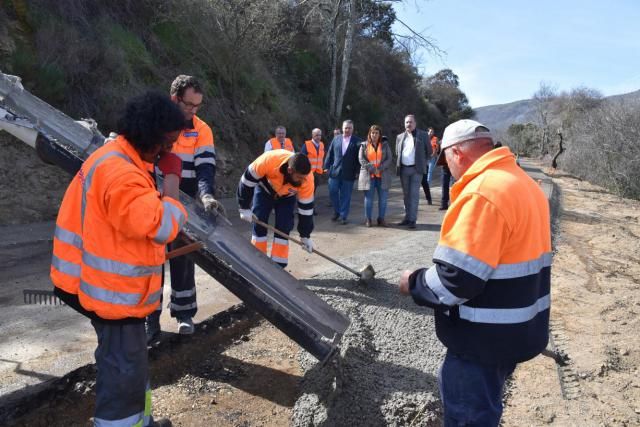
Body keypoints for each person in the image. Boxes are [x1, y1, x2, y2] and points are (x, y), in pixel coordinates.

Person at [397, 119, 551, 426]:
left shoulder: (482, 193)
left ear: (457, 154)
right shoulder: (523, 184)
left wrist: (413, 281)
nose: (448, 169)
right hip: (516, 331)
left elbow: (455, 282)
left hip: (482, 342)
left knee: (468, 417)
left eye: (446, 160)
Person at [51, 92, 187, 427]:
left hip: (94, 283)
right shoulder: (121, 174)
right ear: (149, 135)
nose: (168, 151)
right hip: (109, 292)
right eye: (166, 143)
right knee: (123, 370)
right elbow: (161, 225)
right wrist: (171, 181)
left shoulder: (117, 157)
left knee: (132, 362)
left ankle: (143, 421)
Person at [147, 75, 218, 342]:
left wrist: (207, 195)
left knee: (182, 257)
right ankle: (150, 318)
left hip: (185, 199)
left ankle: (184, 313)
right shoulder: (155, 122)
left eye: (197, 106)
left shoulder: (201, 130)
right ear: (174, 97)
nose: (192, 110)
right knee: (152, 260)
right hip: (152, 196)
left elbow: (205, 168)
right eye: (188, 104)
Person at [237, 150, 315, 267]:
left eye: (304, 178)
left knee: (284, 227)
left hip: (287, 197)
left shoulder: (307, 180)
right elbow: (247, 182)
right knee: (259, 221)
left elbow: (306, 210)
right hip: (264, 190)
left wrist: (305, 235)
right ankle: (258, 260)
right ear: (290, 170)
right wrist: (243, 207)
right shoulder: (269, 160)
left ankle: (278, 265)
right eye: (299, 177)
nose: (302, 181)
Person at [395, 114, 432, 229]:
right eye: (406, 122)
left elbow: (429, 151)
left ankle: (412, 219)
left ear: (415, 123)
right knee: (406, 195)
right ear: (404, 124)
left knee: (414, 195)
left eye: (411, 122)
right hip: (404, 169)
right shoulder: (400, 137)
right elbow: (397, 152)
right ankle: (407, 218)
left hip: (417, 170)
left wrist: (423, 162)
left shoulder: (423, 135)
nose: (408, 124)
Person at [324, 119, 362, 225]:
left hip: (349, 173)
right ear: (342, 128)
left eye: (349, 128)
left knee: (346, 195)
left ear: (353, 129)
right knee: (332, 191)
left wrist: (358, 171)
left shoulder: (357, 141)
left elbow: (360, 159)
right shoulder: (336, 139)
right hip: (335, 172)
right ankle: (337, 211)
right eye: (345, 128)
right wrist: (326, 166)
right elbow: (330, 153)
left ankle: (343, 216)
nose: (347, 130)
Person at [357, 125, 393, 227]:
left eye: (376, 133)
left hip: (382, 176)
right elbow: (361, 159)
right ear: (369, 134)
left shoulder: (385, 145)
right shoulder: (364, 145)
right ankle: (368, 219)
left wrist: (380, 168)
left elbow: (389, 159)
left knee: (383, 199)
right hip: (369, 176)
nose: (374, 135)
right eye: (372, 133)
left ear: (379, 134)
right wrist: (372, 168)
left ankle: (381, 219)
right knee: (369, 199)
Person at [300, 128, 326, 208]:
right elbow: (301, 159)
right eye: (316, 135)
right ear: (312, 135)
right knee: (306, 191)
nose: (318, 137)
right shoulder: (307, 145)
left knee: (313, 191)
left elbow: (321, 158)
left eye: (319, 135)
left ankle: (311, 207)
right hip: (308, 173)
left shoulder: (321, 145)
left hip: (317, 173)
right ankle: (304, 207)